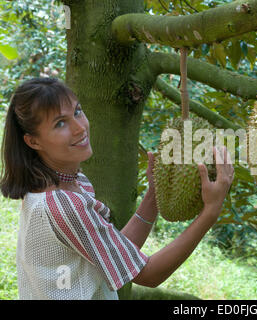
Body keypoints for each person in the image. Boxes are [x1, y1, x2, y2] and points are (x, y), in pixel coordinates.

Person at [0, 77, 234, 300]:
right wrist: (210, 212)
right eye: (60, 123)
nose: (79, 128)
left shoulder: (72, 184)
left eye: (78, 112)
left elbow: (112, 254)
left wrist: (152, 196)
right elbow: (149, 274)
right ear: (33, 141)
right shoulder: (62, 204)